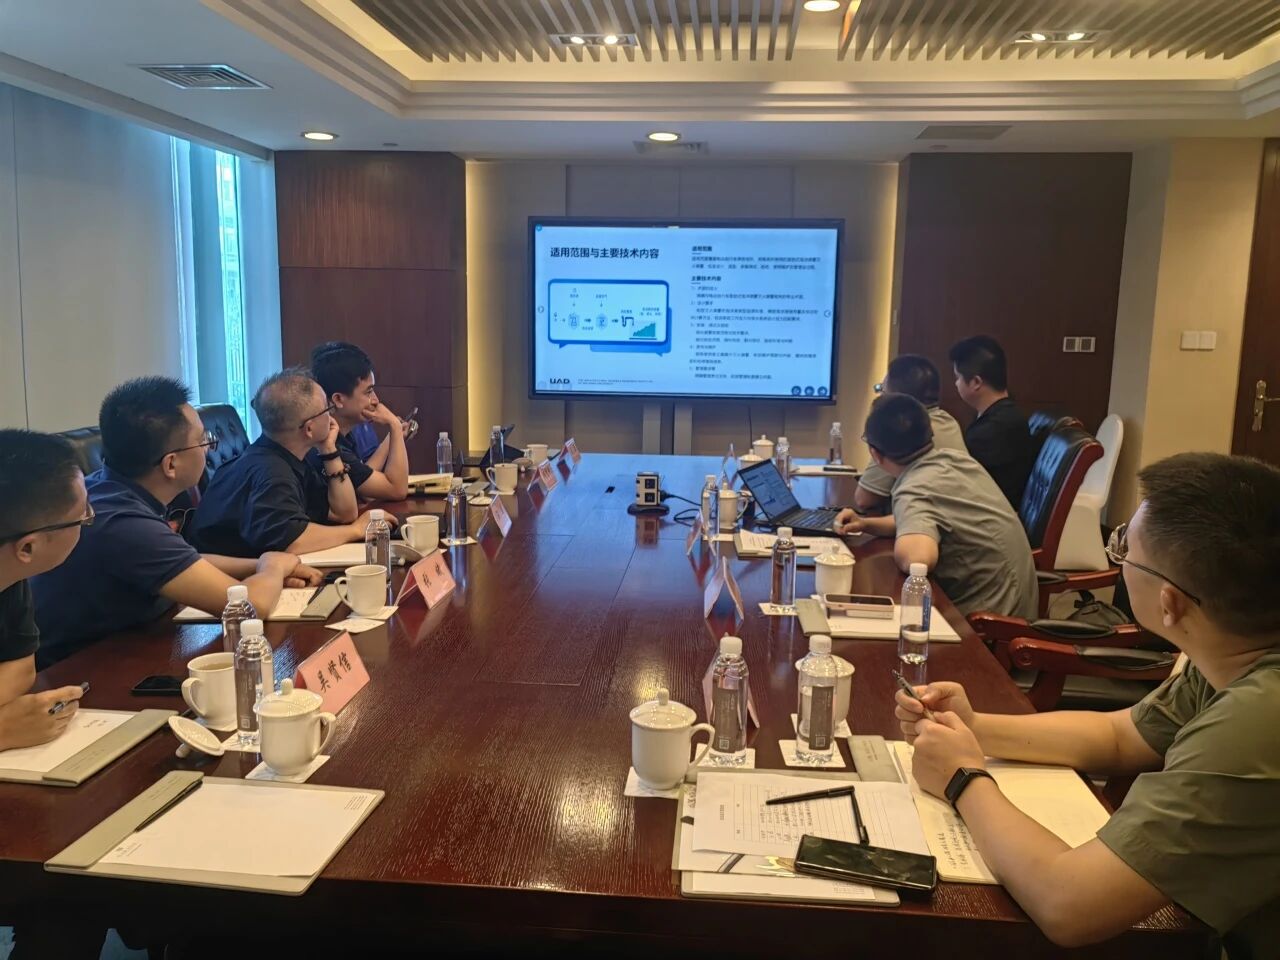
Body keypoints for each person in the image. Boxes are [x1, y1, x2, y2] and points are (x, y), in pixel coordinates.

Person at [895, 453, 1279, 956]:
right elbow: (1121, 737)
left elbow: (1068, 904)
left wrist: (962, 777)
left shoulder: (1257, 721)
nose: (1117, 559)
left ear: (1169, 603)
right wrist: (974, 728)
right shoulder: (1234, 648)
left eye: (1124, 550)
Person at [30, 377, 323, 667]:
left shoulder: (108, 489)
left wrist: (260, 564)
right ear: (171, 464)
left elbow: (184, 559)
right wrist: (273, 568)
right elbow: (248, 609)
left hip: (124, 646)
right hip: (82, 671)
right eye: (202, 440)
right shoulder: (123, 523)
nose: (208, 448)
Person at [833, 395, 1037, 619]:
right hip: (1016, 602)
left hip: (992, 621)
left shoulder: (915, 487)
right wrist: (866, 524)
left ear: (875, 454)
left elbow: (918, 559)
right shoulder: (955, 460)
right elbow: (921, 522)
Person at [191, 369, 387, 558]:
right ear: (309, 429)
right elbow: (292, 541)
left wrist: (329, 450)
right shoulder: (272, 473)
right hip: (225, 577)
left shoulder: (294, 455)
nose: (331, 415)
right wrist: (356, 530)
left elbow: (344, 513)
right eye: (327, 409)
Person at [0, 430, 90, 749]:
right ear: (28, 547)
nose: (89, 518)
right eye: (82, 517)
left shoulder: (10, 574)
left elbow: (21, 667)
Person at [855, 354, 968, 513]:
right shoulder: (948, 421)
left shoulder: (902, 429)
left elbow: (865, 499)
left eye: (882, 391)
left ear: (896, 400)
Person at [310, 341, 410, 500]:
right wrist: (395, 425)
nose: (376, 400)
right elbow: (397, 489)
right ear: (338, 399)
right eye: (368, 392)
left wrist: (392, 436)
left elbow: (362, 482)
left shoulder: (344, 434)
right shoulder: (326, 443)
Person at [949, 334, 1034, 507]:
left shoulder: (993, 429)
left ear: (976, 382)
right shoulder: (1006, 414)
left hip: (991, 514)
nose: (956, 384)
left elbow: (961, 485)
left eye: (958, 377)